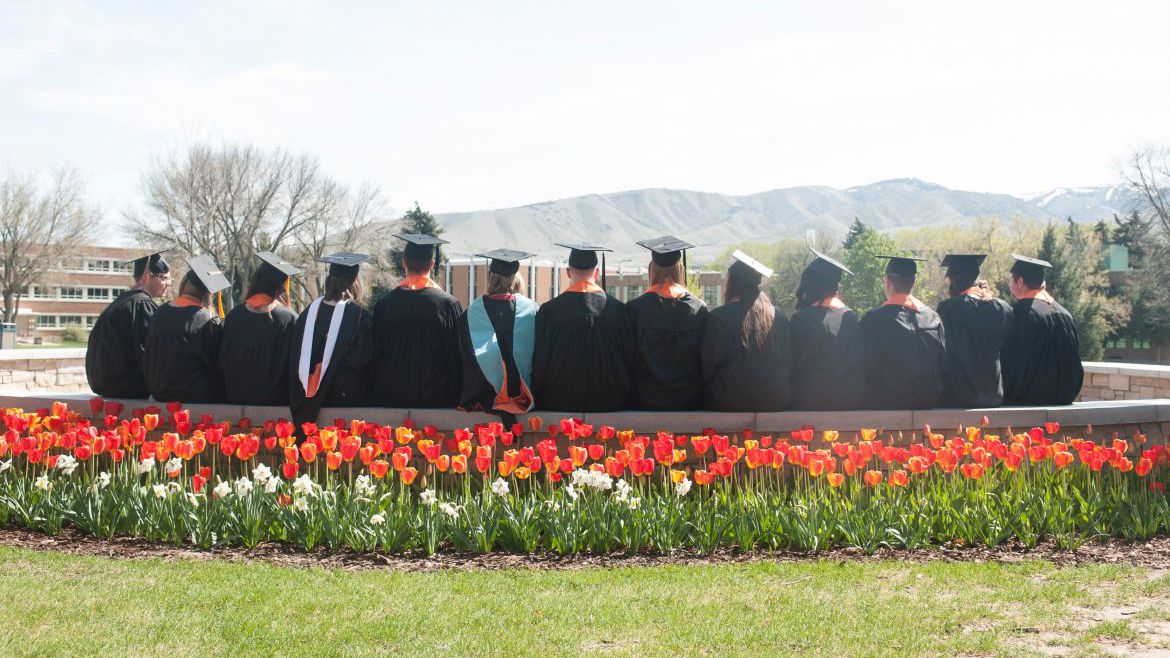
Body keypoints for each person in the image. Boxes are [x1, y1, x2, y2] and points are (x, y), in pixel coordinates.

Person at [532, 242, 634, 412]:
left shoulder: (550, 311)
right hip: (610, 400)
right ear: (597, 272)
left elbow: (540, 362)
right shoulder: (618, 310)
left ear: (567, 272)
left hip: (558, 399)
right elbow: (629, 358)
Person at [371, 234, 464, 408]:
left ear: (404, 262)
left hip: (390, 399)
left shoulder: (384, 305)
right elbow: (457, 358)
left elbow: (375, 356)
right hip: (438, 399)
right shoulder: (448, 305)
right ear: (431, 265)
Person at [288, 252, 375, 429]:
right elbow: (364, 360)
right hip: (346, 397)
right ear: (355, 282)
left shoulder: (308, 313)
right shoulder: (359, 316)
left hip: (306, 397)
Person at [700, 250, 792, 411]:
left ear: (732, 284)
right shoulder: (778, 316)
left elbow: (706, 367)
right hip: (774, 400)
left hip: (728, 401)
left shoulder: (718, 318)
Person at [457, 249, 538, 425]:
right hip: (526, 397)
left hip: (482, 399)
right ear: (516, 277)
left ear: (490, 276)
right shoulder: (533, 312)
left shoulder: (470, 314)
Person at [627, 236, 708, 410]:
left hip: (645, 399)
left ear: (651, 270)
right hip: (689, 400)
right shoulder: (699, 309)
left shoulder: (634, 309)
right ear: (680, 269)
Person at [859, 255, 947, 409]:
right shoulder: (933, 318)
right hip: (928, 403)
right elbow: (943, 363)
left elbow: (862, 366)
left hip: (885, 405)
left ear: (887, 282)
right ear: (914, 283)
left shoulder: (873, 320)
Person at [218, 251, 301, 405]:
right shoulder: (289, 319)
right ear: (281, 287)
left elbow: (223, 362)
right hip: (276, 406)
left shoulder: (234, 316)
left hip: (235, 401)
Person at [788, 249, 867, 410]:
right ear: (836, 287)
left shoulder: (801, 320)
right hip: (850, 400)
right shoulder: (851, 318)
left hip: (809, 400)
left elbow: (791, 365)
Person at [144, 255, 229, 403]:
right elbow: (216, 364)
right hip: (196, 395)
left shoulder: (159, 313)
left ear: (184, 285)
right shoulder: (206, 319)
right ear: (208, 293)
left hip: (160, 393)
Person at [86, 250, 171, 398]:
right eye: (164, 278)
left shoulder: (121, 302)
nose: (168, 283)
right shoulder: (141, 304)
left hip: (104, 384)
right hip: (127, 387)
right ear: (147, 276)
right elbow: (151, 354)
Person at [1001, 254, 1084, 405]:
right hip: (1066, 396)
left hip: (1033, 399)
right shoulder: (1065, 314)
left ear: (1020, 282)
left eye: (1010, 280)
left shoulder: (1024, 312)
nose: (1009, 284)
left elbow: (1014, 361)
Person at [936, 254, 1013, 408]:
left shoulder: (949, 309)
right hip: (993, 396)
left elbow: (942, 352)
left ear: (953, 281)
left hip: (958, 397)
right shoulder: (1003, 309)